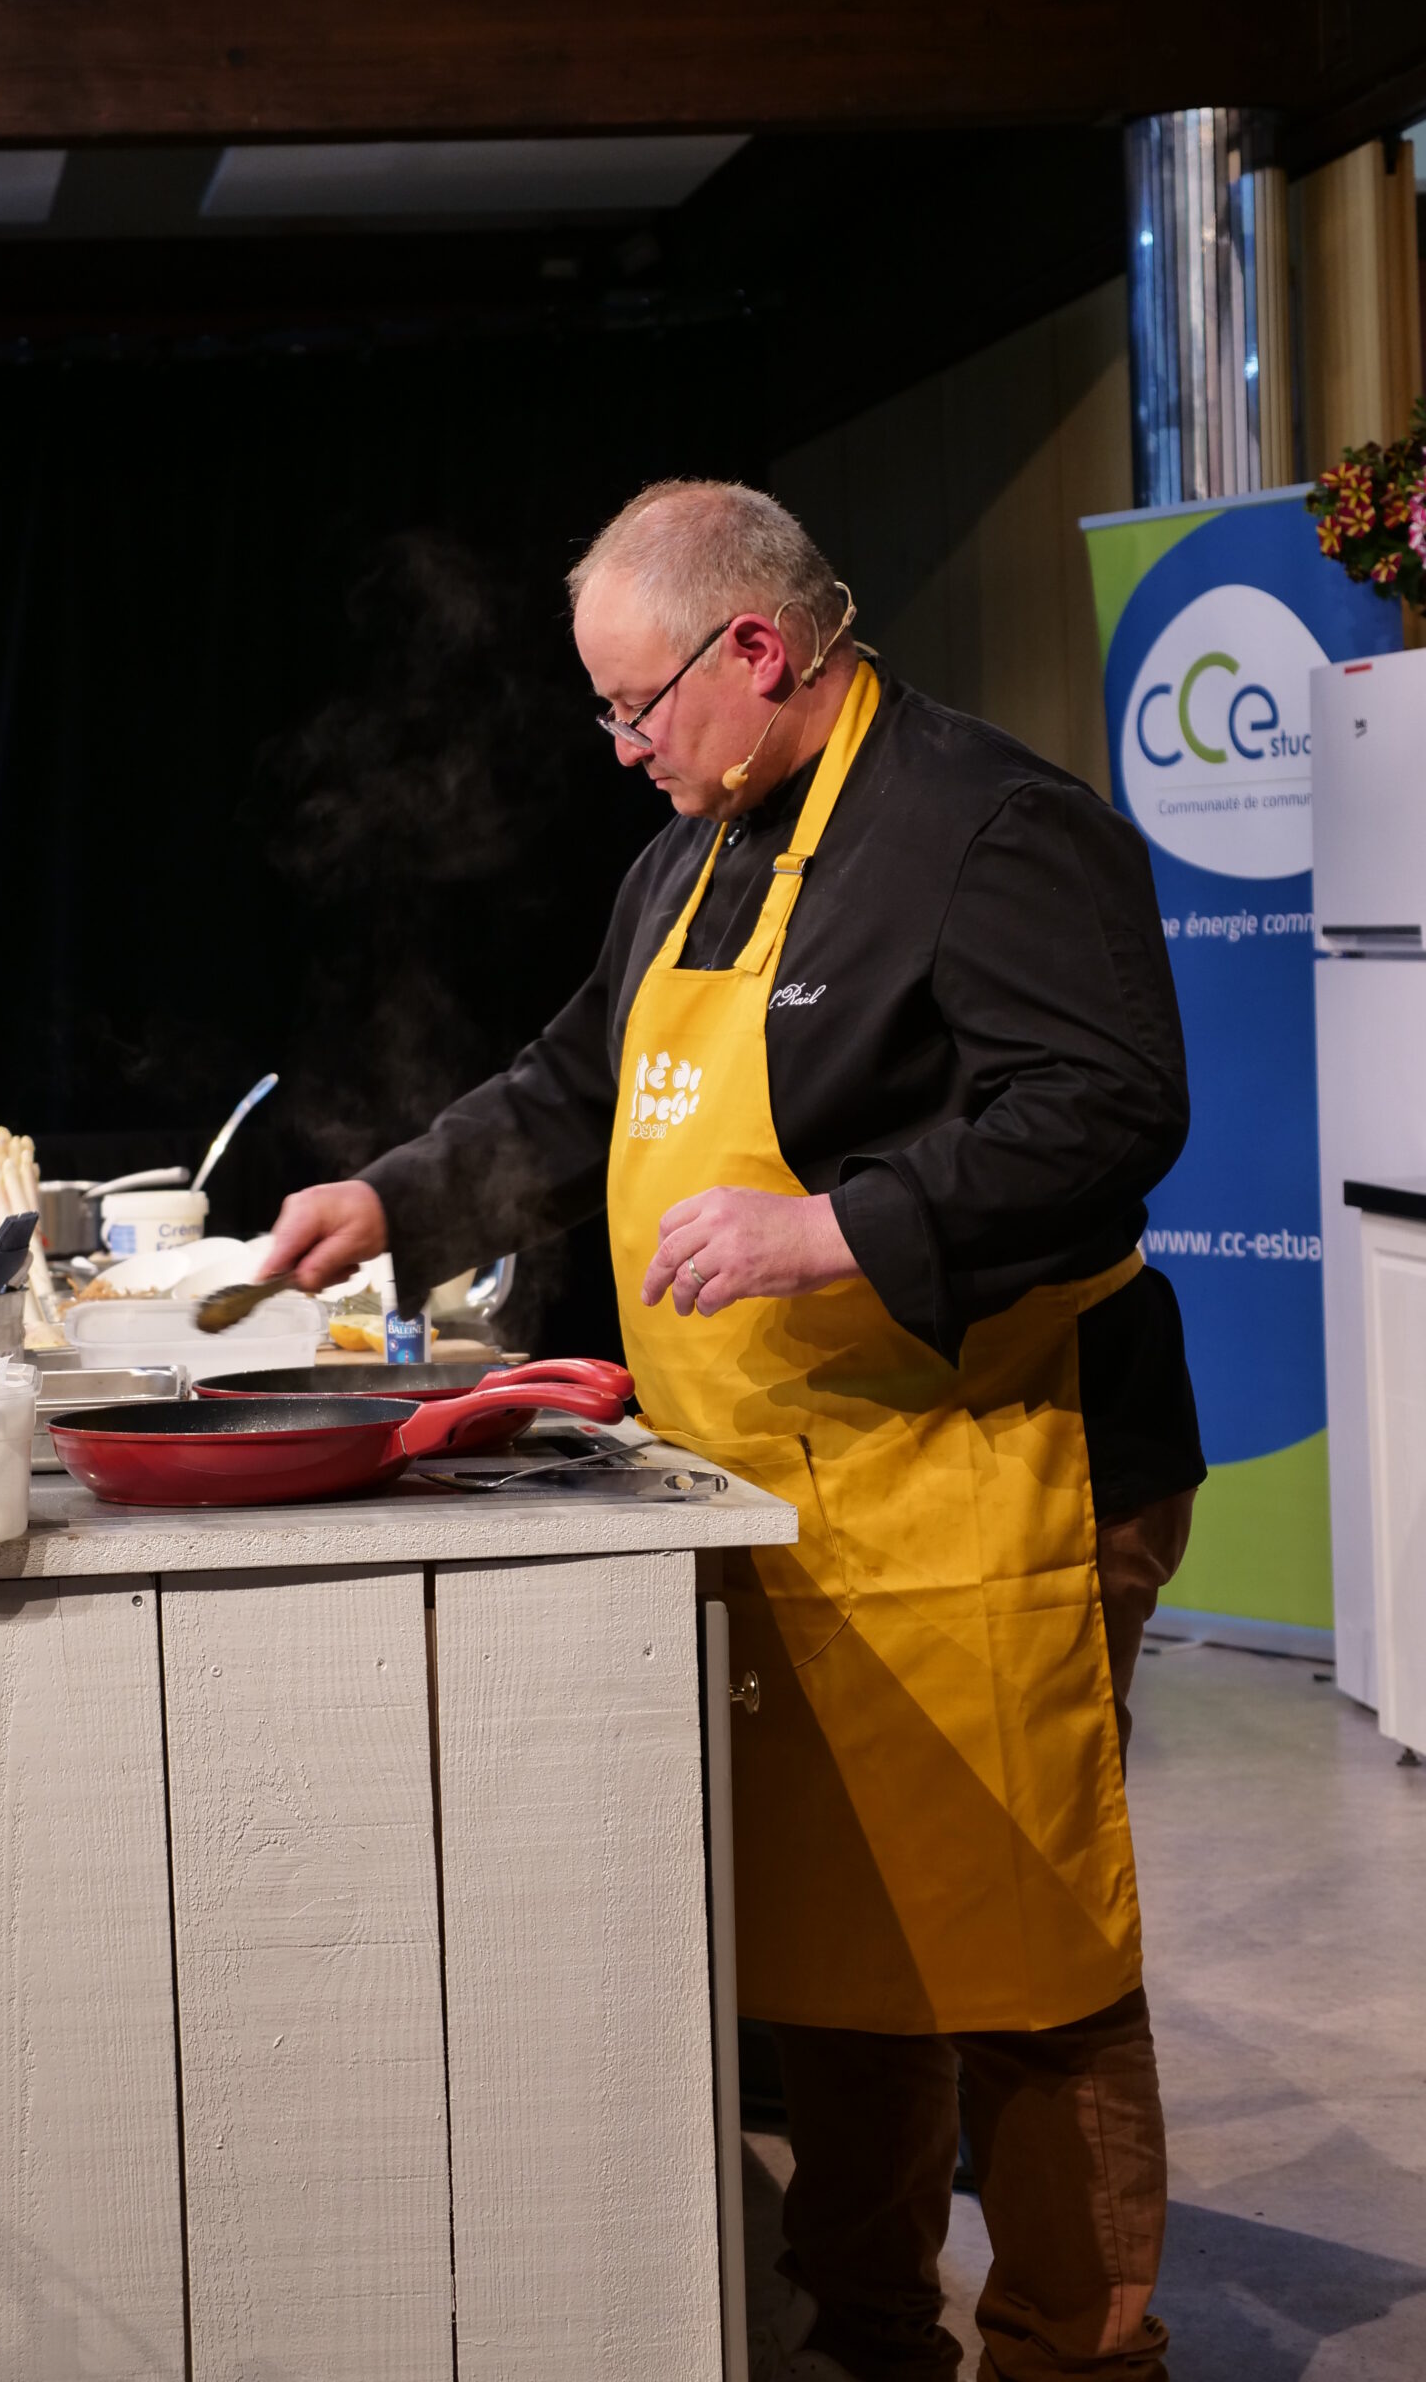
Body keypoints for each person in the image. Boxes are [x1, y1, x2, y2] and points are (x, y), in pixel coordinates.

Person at [263, 480, 1203, 2382]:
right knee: (843, 1943)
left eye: (636, 707)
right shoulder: (693, 853)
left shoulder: (991, 827)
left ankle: (1076, 2352)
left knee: (1021, 1953)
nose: (623, 749)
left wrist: (838, 1228)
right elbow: (575, 1084)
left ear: (756, 648)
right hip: (788, 1490)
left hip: (1004, 1478)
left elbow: (1111, 1110)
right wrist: (392, 1196)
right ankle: (870, 2335)